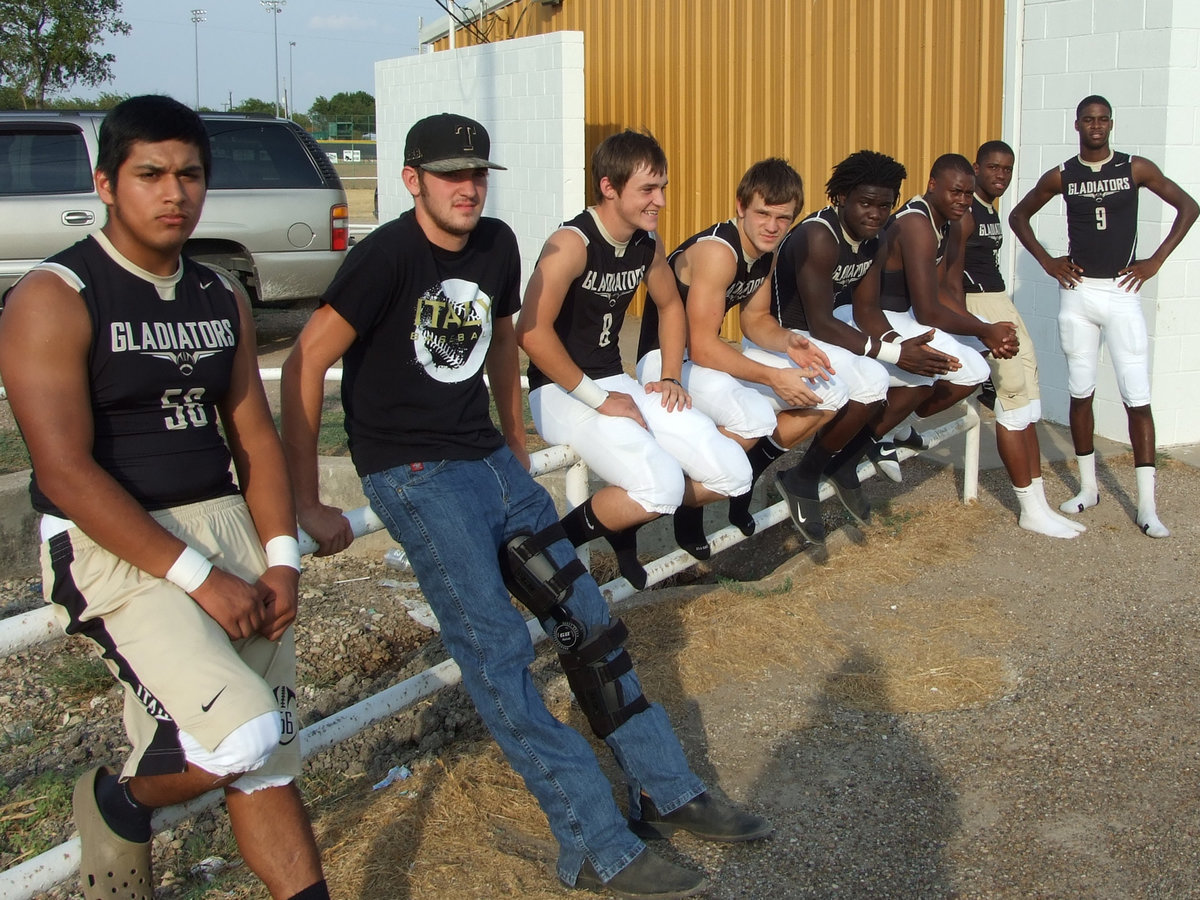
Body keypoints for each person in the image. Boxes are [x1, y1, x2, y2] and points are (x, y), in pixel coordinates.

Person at [281, 113, 771, 900]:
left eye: (476, 173)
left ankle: (664, 788)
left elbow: (505, 337)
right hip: (415, 475)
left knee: (590, 620)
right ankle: (595, 844)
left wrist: (513, 433)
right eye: (449, 175)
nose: (467, 187)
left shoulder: (497, 242)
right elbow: (304, 359)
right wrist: (305, 497)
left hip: (490, 462)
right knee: (500, 651)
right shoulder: (383, 258)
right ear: (412, 181)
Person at [0, 96, 328, 900]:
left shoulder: (221, 295)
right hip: (116, 541)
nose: (173, 192)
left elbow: (253, 434)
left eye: (189, 174)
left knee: (270, 756)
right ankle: (118, 801)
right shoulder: (56, 294)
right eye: (150, 174)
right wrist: (198, 577)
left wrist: (281, 558)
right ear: (106, 182)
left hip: (227, 527)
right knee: (243, 732)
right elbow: (67, 472)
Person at [518, 130, 753, 584]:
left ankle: (618, 527)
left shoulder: (648, 243)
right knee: (660, 484)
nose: (660, 200)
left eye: (662, 187)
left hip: (615, 380)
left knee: (734, 471)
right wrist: (598, 398)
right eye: (648, 189)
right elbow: (531, 332)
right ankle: (540, 553)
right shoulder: (572, 243)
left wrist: (670, 376)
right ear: (609, 187)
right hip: (559, 389)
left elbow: (669, 306)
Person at [1008, 95, 1198, 537]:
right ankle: (1088, 488)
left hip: (1121, 292)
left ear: (1111, 124)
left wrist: (1154, 261)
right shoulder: (1063, 174)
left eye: (1102, 119)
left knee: (1136, 394)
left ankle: (1148, 505)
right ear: (1077, 125)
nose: (1095, 126)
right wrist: (1048, 262)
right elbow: (1019, 216)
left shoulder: (1136, 168)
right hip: (1079, 294)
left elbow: (1188, 207)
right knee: (1080, 392)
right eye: (1088, 120)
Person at [635, 158, 843, 549]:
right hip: (665, 359)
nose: (772, 226)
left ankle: (742, 477)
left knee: (830, 390)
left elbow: (756, 320)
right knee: (752, 412)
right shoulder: (719, 252)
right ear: (740, 206)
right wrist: (772, 376)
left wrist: (788, 343)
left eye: (783, 218)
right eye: (763, 213)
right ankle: (690, 505)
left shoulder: (767, 250)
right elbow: (700, 343)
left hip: (701, 357)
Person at [762, 150, 963, 528]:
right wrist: (891, 354)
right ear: (841, 197)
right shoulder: (818, 235)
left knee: (923, 376)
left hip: (825, 327)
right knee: (872, 382)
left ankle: (844, 463)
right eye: (866, 203)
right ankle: (802, 476)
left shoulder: (878, 237)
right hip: (785, 335)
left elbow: (867, 311)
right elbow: (819, 324)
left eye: (885, 205)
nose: (875, 213)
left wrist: (903, 350)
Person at [942, 140, 1085, 538]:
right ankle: (1027, 508)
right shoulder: (964, 212)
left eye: (1007, 169)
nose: (1000, 175)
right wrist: (968, 322)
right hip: (980, 305)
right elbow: (949, 269)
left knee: (1030, 401)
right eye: (993, 168)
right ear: (976, 168)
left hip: (999, 298)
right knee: (1011, 403)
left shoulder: (991, 210)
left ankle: (1039, 503)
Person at [847, 154, 1014, 459]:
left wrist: (988, 332)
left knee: (978, 357)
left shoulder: (949, 221)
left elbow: (946, 291)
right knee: (964, 369)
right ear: (932, 185)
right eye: (956, 192)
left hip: (906, 313)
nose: (963, 200)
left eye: (968, 193)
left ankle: (895, 425)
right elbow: (928, 311)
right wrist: (985, 329)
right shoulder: (916, 223)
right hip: (877, 315)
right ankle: (867, 441)